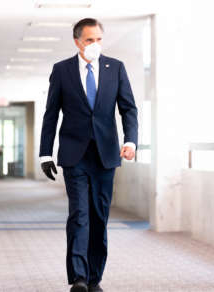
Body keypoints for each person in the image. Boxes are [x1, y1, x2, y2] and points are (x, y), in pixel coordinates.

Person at [39, 18, 138, 292]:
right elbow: (51, 114)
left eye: (99, 39)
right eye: (89, 40)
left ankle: (95, 278)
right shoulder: (62, 71)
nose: (95, 44)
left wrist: (131, 140)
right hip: (75, 155)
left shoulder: (115, 68)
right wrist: (45, 154)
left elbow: (128, 109)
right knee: (79, 214)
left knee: (98, 216)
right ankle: (79, 278)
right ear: (77, 42)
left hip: (106, 155)